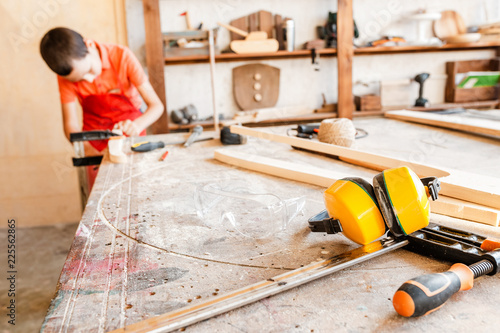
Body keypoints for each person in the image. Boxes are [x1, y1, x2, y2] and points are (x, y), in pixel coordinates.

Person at [40, 27, 164, 190]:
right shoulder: (65, 78)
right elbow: (70, 126)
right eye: (81, 79)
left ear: (89, 45)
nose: (89, 79)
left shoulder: (122, 56)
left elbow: (156, 105)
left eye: (89, 70)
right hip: (94, 145)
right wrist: (88, 150)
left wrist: (137, 125)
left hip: (131, 139)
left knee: (136, 191)